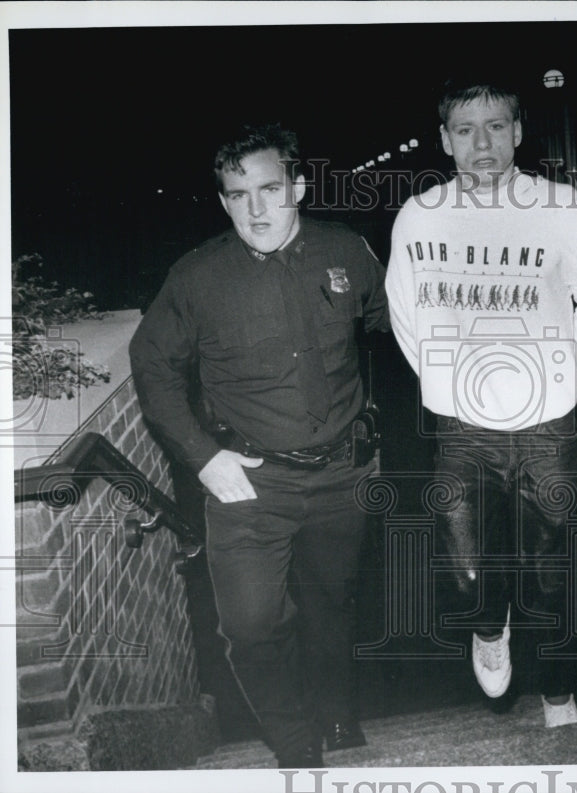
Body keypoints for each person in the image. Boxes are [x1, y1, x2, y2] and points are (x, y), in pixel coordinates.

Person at [129, 123, 389, 767]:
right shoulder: (196, 278)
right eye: (238, 194)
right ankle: (295, 748)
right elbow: (152, 365)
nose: (256, 209)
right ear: (223, 201)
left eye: (270, 189)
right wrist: (203, 456)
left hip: (342, 475)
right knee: (248, 627)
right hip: (249, 481)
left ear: (297, 186)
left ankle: (336, 716)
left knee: (332, 605)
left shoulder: (348, 250)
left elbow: (393, 326)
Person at [385, 77, 577, 727]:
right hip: (462, 426)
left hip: (548, 423)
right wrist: (443, 378)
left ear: (518, 132)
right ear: (444, 140)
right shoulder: (422, 215)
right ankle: (488, 628)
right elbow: (404, 310)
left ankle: (557, 693)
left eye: (496, 126)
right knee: (464, 570)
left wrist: (565, 356)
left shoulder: (556, 206)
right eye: (465, 130)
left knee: (550, 574)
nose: (482, 142)